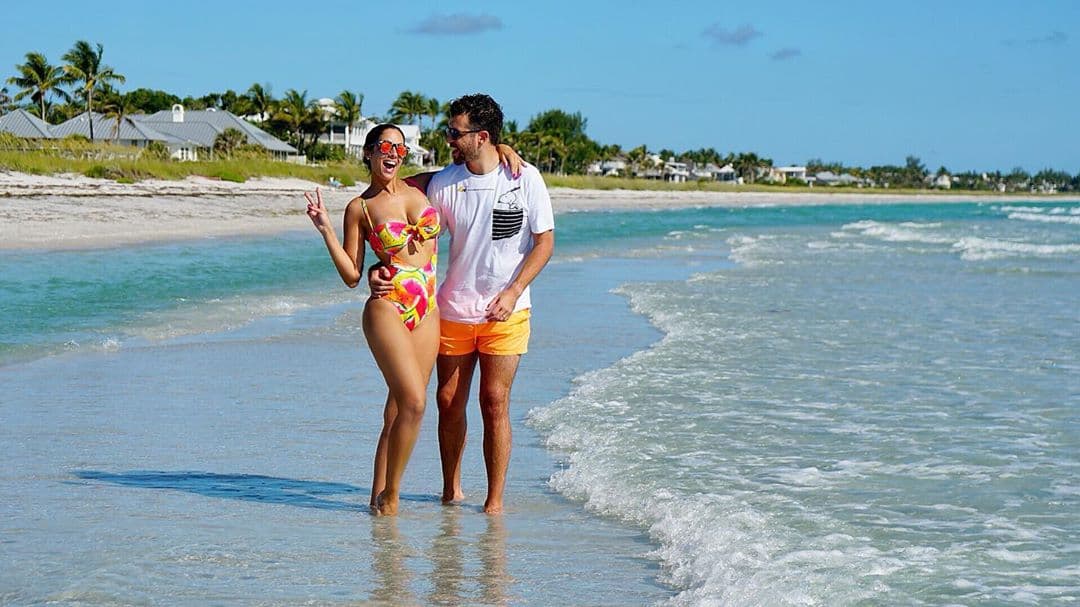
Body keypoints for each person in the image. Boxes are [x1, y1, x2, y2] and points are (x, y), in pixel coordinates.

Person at [371, 94, 555, 514]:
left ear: (483, 136)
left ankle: (494, 502)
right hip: (452, 309)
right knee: (448, 402)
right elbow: (392, 196)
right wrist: (376, 267)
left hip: (508, 311)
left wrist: (512, 292)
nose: (449, 139)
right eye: (449, 132)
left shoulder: (525, 178)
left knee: (494, 402)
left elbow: (544, 243)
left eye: (455, 133)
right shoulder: (443, 183)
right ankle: (451, 490)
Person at [306, 124, 440, 516]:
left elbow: (471, 162)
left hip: (428, 309)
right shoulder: (359, 208)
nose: (393, 153)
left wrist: (504, 149)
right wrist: (326, 229)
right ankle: (392, 495)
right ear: (368, 152)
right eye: (385, 145)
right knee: (415, 404)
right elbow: (352, 275)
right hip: (387, 306)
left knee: (396, 411)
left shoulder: (422, 188)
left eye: (400, 147)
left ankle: (376, 503)